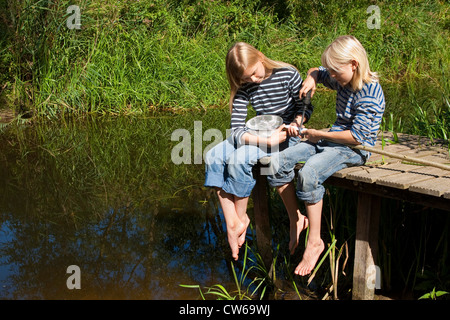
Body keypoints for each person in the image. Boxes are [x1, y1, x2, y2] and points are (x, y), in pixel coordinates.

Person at [269, 35, 385, 276]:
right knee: (277, 162)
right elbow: (317, 71)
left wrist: (316, 133)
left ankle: (315, 242)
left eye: (335, 71)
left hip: (353, 149)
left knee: (309, 173)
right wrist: (311, 79)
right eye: (330, 72)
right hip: (330, 137)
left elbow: (357, 137)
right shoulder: (342, 79)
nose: (331, 77)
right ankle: (296, 219)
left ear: (354, 64)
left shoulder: (370, 93)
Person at [204, 42, 313, 260]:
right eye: (246, 79)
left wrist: (297, 122)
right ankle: (233, 221)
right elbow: (236, 129)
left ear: (260, 57)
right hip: (262, 135)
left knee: (239, 158)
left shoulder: (287, 74)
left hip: (285, 135)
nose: (253, 80)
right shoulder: (245, 87)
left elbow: (305, 106)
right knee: (212, 155)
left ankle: (242, 217)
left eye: (254, 73)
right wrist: (264, 140)